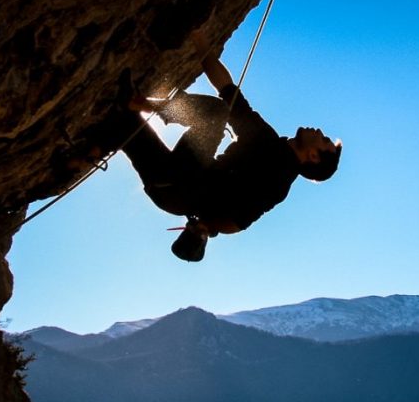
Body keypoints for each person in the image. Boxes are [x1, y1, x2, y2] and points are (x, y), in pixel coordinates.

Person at [115, 32, 342, 261]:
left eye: (324, 141)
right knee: (119, 122)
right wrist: (201, 42)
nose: (321, 133)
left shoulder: (278, 177)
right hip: (169, 192)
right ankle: (116, 124)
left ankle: (140, 104)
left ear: (313, 156)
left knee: (216, 113)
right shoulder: (269, 146)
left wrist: (207, 222)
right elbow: (228, 90)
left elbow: (235, 223)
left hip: (182, 187)